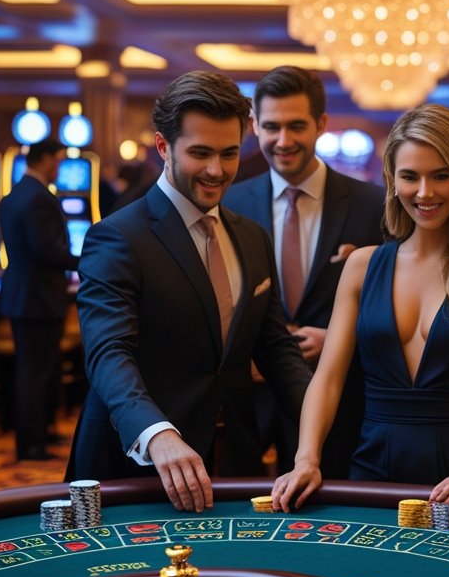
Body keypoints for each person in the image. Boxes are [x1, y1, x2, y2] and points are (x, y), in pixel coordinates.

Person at [68, 71, 311, 512]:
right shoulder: (118, 236)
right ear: (163, 147)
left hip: (234, 458)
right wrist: (157, 434)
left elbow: (275, 349)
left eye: (229, 153)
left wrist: (320, 427)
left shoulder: (253, 236)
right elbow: (109, 353)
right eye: (200, 153)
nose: (217, 170)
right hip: (139, 463)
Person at [272, 103, 449, 510]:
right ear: (393, 181)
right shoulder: (362, 265)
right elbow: (328, 379)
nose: (425, 192)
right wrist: (307, 458)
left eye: (441, 176)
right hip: (371, 468)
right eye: (410, 177)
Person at [223, 66, 384, 477]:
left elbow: (400, 300)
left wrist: (338, 339)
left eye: (297, 126)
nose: (284, 140)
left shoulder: (374, 205)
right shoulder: (228, 204)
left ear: (321, 125)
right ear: (254, 126)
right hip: (249, 394)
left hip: (343, 395)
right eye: (272, 127)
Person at [0, 138, 79, 461]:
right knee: (35, 373)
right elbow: (46, 251)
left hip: (25, 294)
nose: (59, 168)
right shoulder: (38, 198)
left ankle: (41, 433)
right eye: (58, 161)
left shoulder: (15, 194)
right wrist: (88, 259)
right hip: (38, 297)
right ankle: (31, 444)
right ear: (45, 160)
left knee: (37, 370)